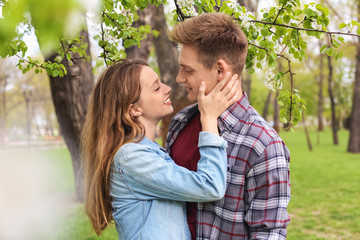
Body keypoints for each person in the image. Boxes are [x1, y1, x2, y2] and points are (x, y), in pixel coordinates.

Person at [81, 59, 240, 239]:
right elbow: (210, 186)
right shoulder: (132, 158)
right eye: (156, 88)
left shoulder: (149, 152)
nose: (167, 88)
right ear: (134, 109)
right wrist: (209, 118)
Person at [166, 12, 291, 239]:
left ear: (220, 70)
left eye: (188, 69)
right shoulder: (181, 121)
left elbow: (268, 234)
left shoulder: (263, 144)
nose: (179, 78)